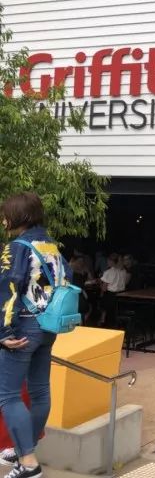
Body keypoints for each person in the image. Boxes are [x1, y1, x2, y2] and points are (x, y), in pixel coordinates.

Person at [0, 192, 72, 477]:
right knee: (40, 390)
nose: (3, 220)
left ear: (17, 216)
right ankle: (24, 448)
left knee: (8, 395)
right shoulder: (51, 246)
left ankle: (28, 462)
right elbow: (66, 280)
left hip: (22, 328)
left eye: (5, 215)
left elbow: (7, 288)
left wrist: (3, 331)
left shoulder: (16, 247)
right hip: (48, 326)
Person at [99, 253, 129, 326]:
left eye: (108, 261)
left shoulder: (109, 272)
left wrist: (100, 283)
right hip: (121, 295)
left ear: (112, 261)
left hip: (111, 296)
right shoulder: (124, 271)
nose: (107, 262)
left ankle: (103, 320)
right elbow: (125, 283)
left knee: (102, 301)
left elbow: (104, 288)